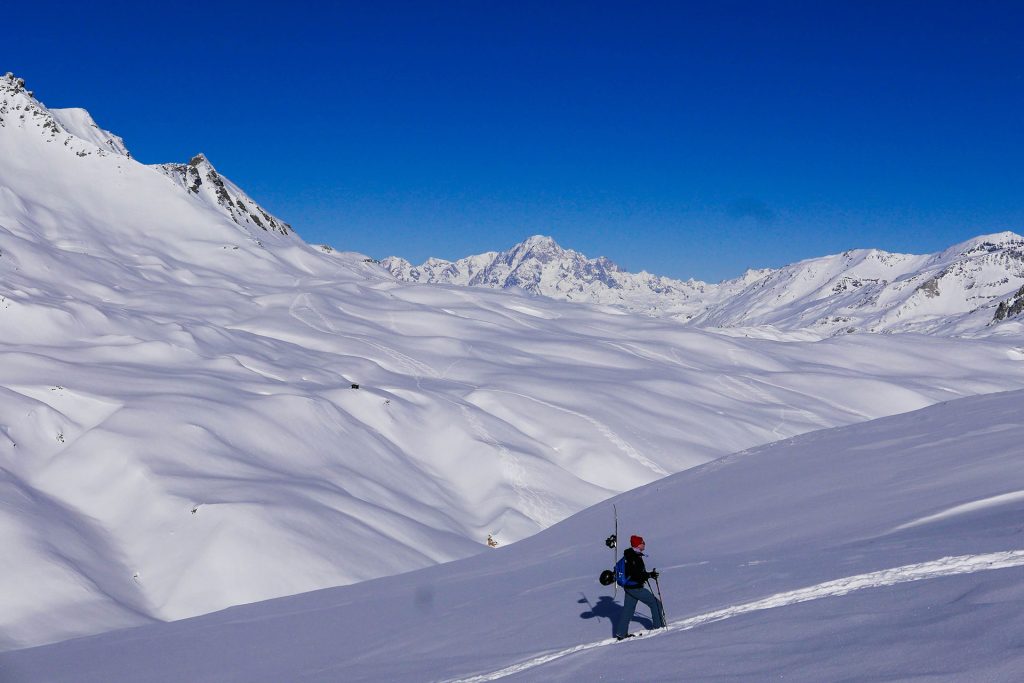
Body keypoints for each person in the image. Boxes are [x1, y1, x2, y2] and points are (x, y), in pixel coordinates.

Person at [613, 535, 665, 640]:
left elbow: (636, 573)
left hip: (629, 587)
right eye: (642, 542)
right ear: (637, 545)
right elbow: (636, 575)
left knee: (627, 610)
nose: (644, 544)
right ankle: (659, 628)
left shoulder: (631, 555)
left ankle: (621, 633)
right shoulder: (633, 557)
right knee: (655, 603)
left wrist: (648, 574)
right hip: (635, 588)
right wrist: (649, 575)